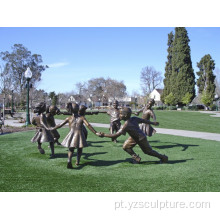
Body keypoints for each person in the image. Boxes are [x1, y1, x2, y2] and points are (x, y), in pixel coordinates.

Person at [99, 107, 168, 164]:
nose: (119, 115)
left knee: (148, 151)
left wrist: (104, 134)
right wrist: (153, 123)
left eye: (120, 114)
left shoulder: (126, 125)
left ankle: (163, 158)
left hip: (141, 138)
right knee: (126, 146)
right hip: (134, 137)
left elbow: (115, 135)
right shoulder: (134, 118)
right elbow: (144, 121)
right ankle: (136, 158)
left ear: (125, 115)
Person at [47, 103, 101, 169]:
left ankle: (69, 160)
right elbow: (88, 125)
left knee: (71, 149)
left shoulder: (69, 118)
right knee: (80, 148)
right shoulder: (82, 118)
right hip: (79, 134)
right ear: (78, 109)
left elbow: (60, 125)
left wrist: (52, 128)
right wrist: (95, 132)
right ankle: (77, 161)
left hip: (71, 134)